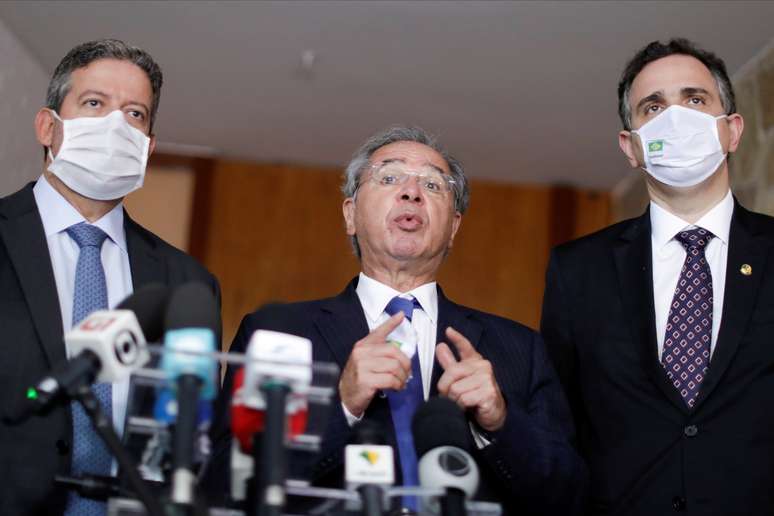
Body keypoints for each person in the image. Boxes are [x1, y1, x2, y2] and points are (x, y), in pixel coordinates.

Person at [207, 126, 587, 515]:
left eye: (434, 185)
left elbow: (570, 496)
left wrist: (499, 421)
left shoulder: (519, 348)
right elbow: (224, 484)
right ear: (350, 214)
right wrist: (343, 404)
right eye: (389, 178)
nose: (411, 192)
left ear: (454, 227)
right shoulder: (278, 334)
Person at [540, 37, 774, 515]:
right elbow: (557, 422)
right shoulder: (577, 269)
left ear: (732, 131)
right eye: (653, 106)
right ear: (631, 147)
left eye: (694, 99)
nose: (676, 118)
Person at [0, 39, 221, 515]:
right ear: (47, 126)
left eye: (135, 114)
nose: (115, 126)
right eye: (95, 104)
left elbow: (195, 437)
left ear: (148, 147)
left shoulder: (188, 284)